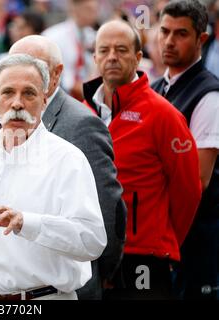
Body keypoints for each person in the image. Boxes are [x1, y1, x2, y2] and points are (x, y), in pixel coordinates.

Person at [0, 53, 107, 300]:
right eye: (8, 92)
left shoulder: (67, 160)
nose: (17, 103)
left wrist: (26, 223)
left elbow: (92, 241)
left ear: (44, 100)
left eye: (28, 93)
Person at [83, 20, 202, 299]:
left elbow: (188, 191)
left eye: (122, 50)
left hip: (144, 255)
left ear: (138, 58)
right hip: (92, 254)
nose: (112, 56)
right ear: (95, 58)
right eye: (105, 50)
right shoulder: (84, 113)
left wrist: (161, 240)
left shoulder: (163, 114)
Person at [9, 35, 126, 300]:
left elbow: (107, 211)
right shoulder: (13, 119)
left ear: (57, 73)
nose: (25, 72)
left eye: (34, 64)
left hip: (66, 286)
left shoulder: (81, 124)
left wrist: (99, 273)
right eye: (15, 63)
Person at [151, 0, 219, 300]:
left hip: (195, 239)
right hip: (157, 233)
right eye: (164, 31)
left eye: (180, 34)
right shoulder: (154, 88)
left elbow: (198, 181)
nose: (169, 41)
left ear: (201, 39)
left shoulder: (209, 95)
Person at [42, 0, 98, 101]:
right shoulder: (54, 35)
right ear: (75, 9)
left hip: (86, 95)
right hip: (60, 96)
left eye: (95, 9)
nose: (94, 14)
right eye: (88, 9)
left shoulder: (92, 35)